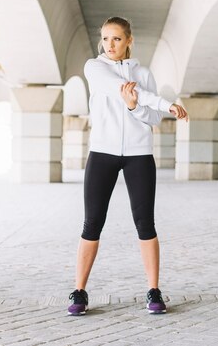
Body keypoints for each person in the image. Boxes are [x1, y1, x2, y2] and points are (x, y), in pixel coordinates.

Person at [67, 16, 188, 316]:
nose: (110, 44)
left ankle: (154, 291)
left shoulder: (143, 73)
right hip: (102, 153)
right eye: (106, 38)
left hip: (139, 154)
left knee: (145, 223)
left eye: (117, 39)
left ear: (129, 40)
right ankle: (79, 292)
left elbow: (153, 120)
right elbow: (121, 89)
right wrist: (165, 103)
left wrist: (135, 107)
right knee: (92, 223)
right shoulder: (94, 68)